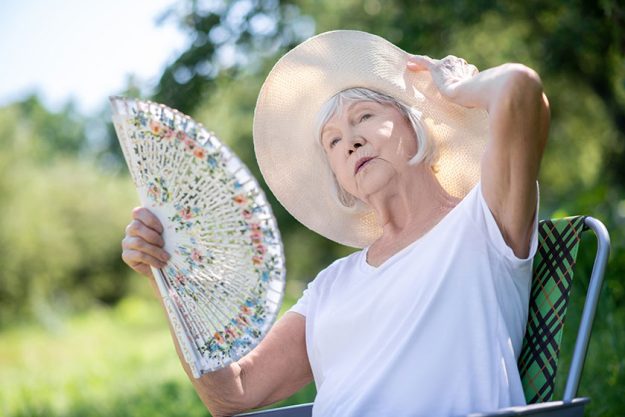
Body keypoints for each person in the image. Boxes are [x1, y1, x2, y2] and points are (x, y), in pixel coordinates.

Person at [121, 30, 549, 417]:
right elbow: (233, 393)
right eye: (333, 141)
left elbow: (520, 89)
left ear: (415, 124)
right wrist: (165, 274)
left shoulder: (482, 220)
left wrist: (453, 89)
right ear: (340, 181)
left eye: (363, 117)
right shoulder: (332, 284)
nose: (351, 142)